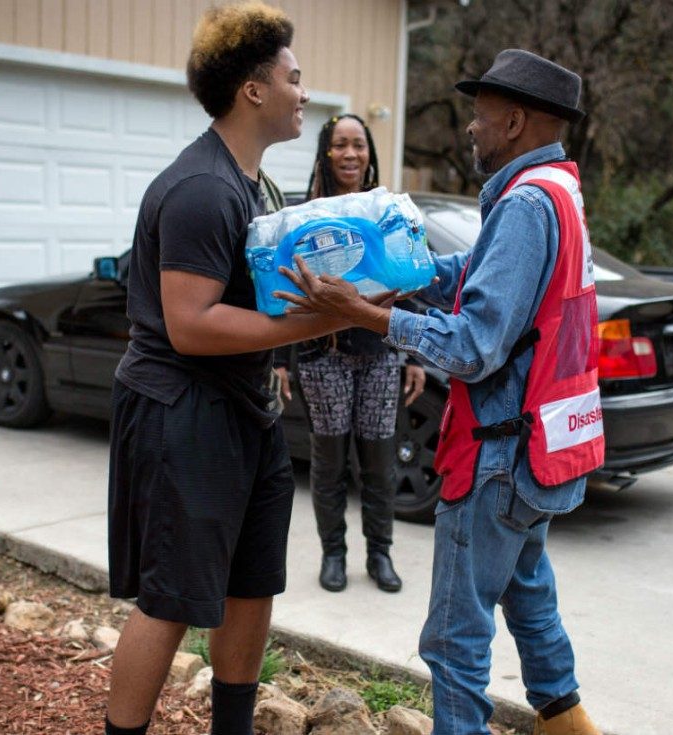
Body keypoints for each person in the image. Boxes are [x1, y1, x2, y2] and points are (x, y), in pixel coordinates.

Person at [275, 49, 604, 735]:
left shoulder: (524, 206)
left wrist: (366, 313)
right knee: (529, 594)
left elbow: (476, 346)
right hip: (537, 453)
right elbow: (480, 275)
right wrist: (397, 268)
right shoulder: (558, 192)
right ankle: (567, 722)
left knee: (454, 639)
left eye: (480, 118)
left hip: (497, 459)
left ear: (513, 121)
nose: (472, 131)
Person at [103, 5, 369, 734]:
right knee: (171, 596)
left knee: (253, 583)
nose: (304, 92)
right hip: (182, 413)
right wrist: (325, 319)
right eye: (294, 77)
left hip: (246, 409)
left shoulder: (255, 186)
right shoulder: (201, 188)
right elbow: (189, 324)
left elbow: (262, 292)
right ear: (254, 89)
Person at [272, 114, 426, 594]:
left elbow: (408, 273)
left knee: (378, 461)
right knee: (330, 460)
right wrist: (280, 358)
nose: (351, 154)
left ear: (370, 153)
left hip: (380, 351)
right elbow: (281, 285)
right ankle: (333, 554)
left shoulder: (384, 209)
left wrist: (416, 351)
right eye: (340, 145)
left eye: (359, 145)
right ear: (325, 152)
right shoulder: (305, 214)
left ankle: (379, 554)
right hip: (323, 355)